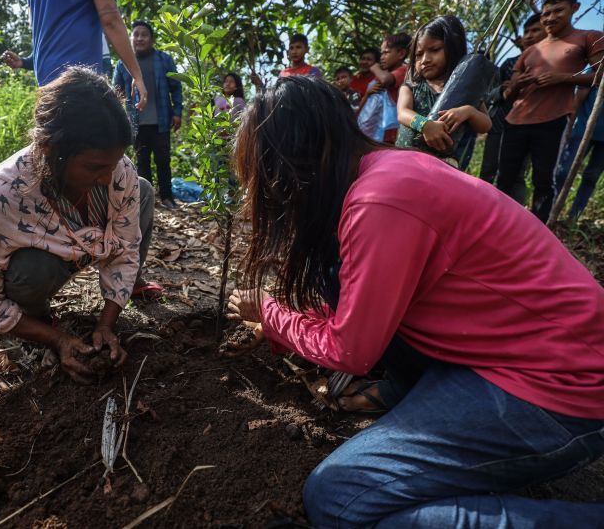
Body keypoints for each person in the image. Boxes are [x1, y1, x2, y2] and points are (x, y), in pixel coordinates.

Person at [227, 76, 604, 528]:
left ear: (296, 165)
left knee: (340, 496)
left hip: (563, 386)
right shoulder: (389, 170)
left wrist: (271, 315)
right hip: (537, 355)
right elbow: (362, 303)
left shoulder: (379, 201)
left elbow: (352, 350)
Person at [0, 67, 163, 384]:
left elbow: (125, 251)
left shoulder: (118, 171)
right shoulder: (0, 198)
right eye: (95, 167)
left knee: (142, 189)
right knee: (31, 269)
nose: (108, 178)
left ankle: (126, 291)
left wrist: (106, 324)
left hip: (87, 248)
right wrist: (57, 339)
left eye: (113, 164)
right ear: (51, 150)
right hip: (42, 266)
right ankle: (34, 323)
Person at [497, 0, 604, 223]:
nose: (551, 17)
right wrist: (517, 84)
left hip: (552, 121)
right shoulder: (530, 50)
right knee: (505, 178)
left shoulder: (588, 38)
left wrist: (563, 78)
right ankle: (498, 223)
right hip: (515, 120)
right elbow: (508, 94)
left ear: (574, 8)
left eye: (558, 11)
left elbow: (600, 77)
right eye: (546, 13)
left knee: (544, 181)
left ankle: (538, 231)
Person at [4, 0, 147, 111]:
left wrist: (25, 61)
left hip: (46, 79)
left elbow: (50, 30)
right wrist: (136, 75)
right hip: (80, 79)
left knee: (54, 142)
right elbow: (110, 19)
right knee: (87, 143)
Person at [396, 16, 492, 168]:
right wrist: (425, 125)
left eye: (434, 50)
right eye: (419, 55)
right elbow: (402, 112)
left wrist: (469, 111)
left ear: (453, 48)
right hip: (406, 161)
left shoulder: (464, 91)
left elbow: (485, 125)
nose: (425, 59)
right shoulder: (411, 87)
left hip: (444, 167)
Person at [112, 20, 184, 211]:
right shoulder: (122, 64)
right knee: (141, 163)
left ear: (152, 39)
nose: (140, 38)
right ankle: (147, 201)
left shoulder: (164, 59)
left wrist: (177, 112)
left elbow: (176, 87)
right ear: (130, 38)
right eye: (136, 34)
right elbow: (116, 93)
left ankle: (167, 197)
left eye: (144, 34)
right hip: (135, 123)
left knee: (163, 161)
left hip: (161, 121)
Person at [479, 14, 545, 183]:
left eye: (536, 30)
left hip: (530, 127)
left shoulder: (550, 64)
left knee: (515, 176)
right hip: (500, 124)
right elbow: (488, 95)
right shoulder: (509, 64)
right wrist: (503, 89)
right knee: (488, 170)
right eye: (527, 31)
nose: (529, 36)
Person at [553, 68, 604, 220]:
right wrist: (568, 128)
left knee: (591, 177)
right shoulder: (597, 69)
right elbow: (577, 102)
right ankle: (551, 209)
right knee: (563, 172)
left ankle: (573, 217)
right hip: (582, 131)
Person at [360, 33, 411, 143]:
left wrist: (374, 68)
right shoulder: (386, 73)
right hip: (377, 131)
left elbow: (385, 79)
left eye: (386, 52)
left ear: (401, 53)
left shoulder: (403, 70)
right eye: (381, 53)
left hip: (393, 131)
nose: (382, 57)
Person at [249, 33, 322, 89]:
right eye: (291, 48)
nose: (294, 51)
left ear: (307, 50)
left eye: (298, 47)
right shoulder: (283, 74)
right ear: (288, 52)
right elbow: (276, 98)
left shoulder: (313, 71)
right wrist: (260, 84)